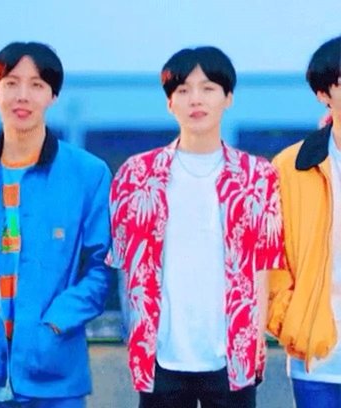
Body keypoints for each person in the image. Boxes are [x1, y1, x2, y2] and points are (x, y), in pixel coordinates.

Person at [0, 41, 112, 408]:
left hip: (57, 379)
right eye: (11, 83)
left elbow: (100, 270)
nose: (22, 96)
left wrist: (54, 326)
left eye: (37, 85)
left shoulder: (88, 175)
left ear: (53, 95)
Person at [105, 46, 285, 408]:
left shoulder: (257, 176)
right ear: (170, 103)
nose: (196, 99)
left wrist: (255, 342)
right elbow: (125, 267)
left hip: (232, 356)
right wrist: (135, 336)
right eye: (183, 90)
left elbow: (262, 266)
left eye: (208, 88)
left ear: (228, 98)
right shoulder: (137, 174)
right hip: (161, 355)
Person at [268, 35, 341, 408]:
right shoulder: (291, 166)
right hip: (317, 357)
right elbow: (271, 255)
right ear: (324, 93)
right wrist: (289, 319)